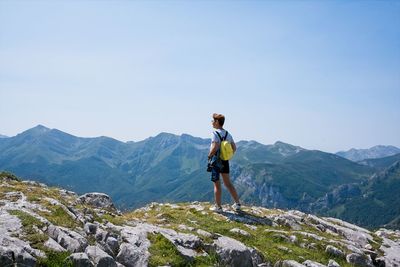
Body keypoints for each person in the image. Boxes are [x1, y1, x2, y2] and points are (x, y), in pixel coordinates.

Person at [208, 113, 241, 212]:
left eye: (213, 121)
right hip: (225, 160)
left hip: (216, 161)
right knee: (228, 183)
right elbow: (234, 148)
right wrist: (227, 156)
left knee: (217, 184)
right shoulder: (228, 134)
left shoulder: (215, 133)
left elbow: (215, 146)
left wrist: (209, 156)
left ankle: (218, 207)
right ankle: (237, 204)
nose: (212, 123)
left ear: (217, 122)